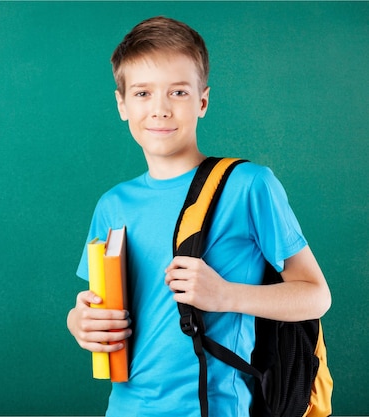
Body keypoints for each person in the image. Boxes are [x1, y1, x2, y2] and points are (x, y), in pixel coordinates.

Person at [66, 16, 331, 416]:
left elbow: (316, 295)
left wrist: (225, 295)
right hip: (125, 408)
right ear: (121, 104)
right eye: (141, 93)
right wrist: (78, 321)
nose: (159, 109)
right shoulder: (113, 204)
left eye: (177, 92)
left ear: (202, 101)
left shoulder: (248, 185)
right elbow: (101, 305)